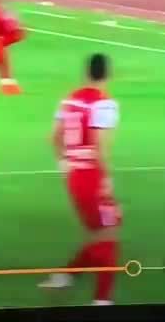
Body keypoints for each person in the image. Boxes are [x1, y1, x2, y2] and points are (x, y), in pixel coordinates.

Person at [38, 53, 122, 307]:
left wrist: (64, 164)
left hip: (74, 174)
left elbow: (54, 138)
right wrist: (105, 177)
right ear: (108, 74)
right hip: (92, 174)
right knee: (109, 236)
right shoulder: (106, 104)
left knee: (100, 233)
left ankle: (65, 277)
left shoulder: (69, 100)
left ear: (86, 73)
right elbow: (99, 146)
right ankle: (101, 301)